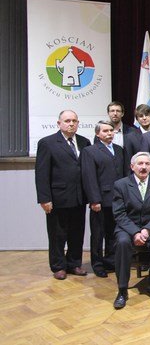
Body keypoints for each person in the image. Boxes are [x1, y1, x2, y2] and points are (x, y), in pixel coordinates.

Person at [35, 110, 90, 280]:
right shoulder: (47, 143)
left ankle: (74, 263)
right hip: (57, 198)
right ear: (59, 123)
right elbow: (41, 173)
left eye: (74, 121)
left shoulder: (84, 142)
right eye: (67, 121)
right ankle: (58, 266)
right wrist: (44, 198)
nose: (71, 124)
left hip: (79, 197)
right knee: (57, 235)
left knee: (77, 233)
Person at [112, 152, 150, 309]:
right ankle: (122, 290)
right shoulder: (121, 185)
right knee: (122, 242)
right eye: (140, 164)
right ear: (132, 166)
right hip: (127, 227)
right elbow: (119, 214)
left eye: (147, 164)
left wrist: (147, 230)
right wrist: (135, 232)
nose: (143, 167)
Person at [81, 120, 128, 277]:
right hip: (100, 200)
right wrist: (94, 200)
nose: (109, 133)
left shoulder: (119, 149)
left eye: (111, 130)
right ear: (97, 133)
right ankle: (97, 264)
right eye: (105, 131)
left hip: (117, 199)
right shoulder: (90, 151)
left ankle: (110, 261)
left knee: (113, 232)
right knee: (98, 234)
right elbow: (89, 177)